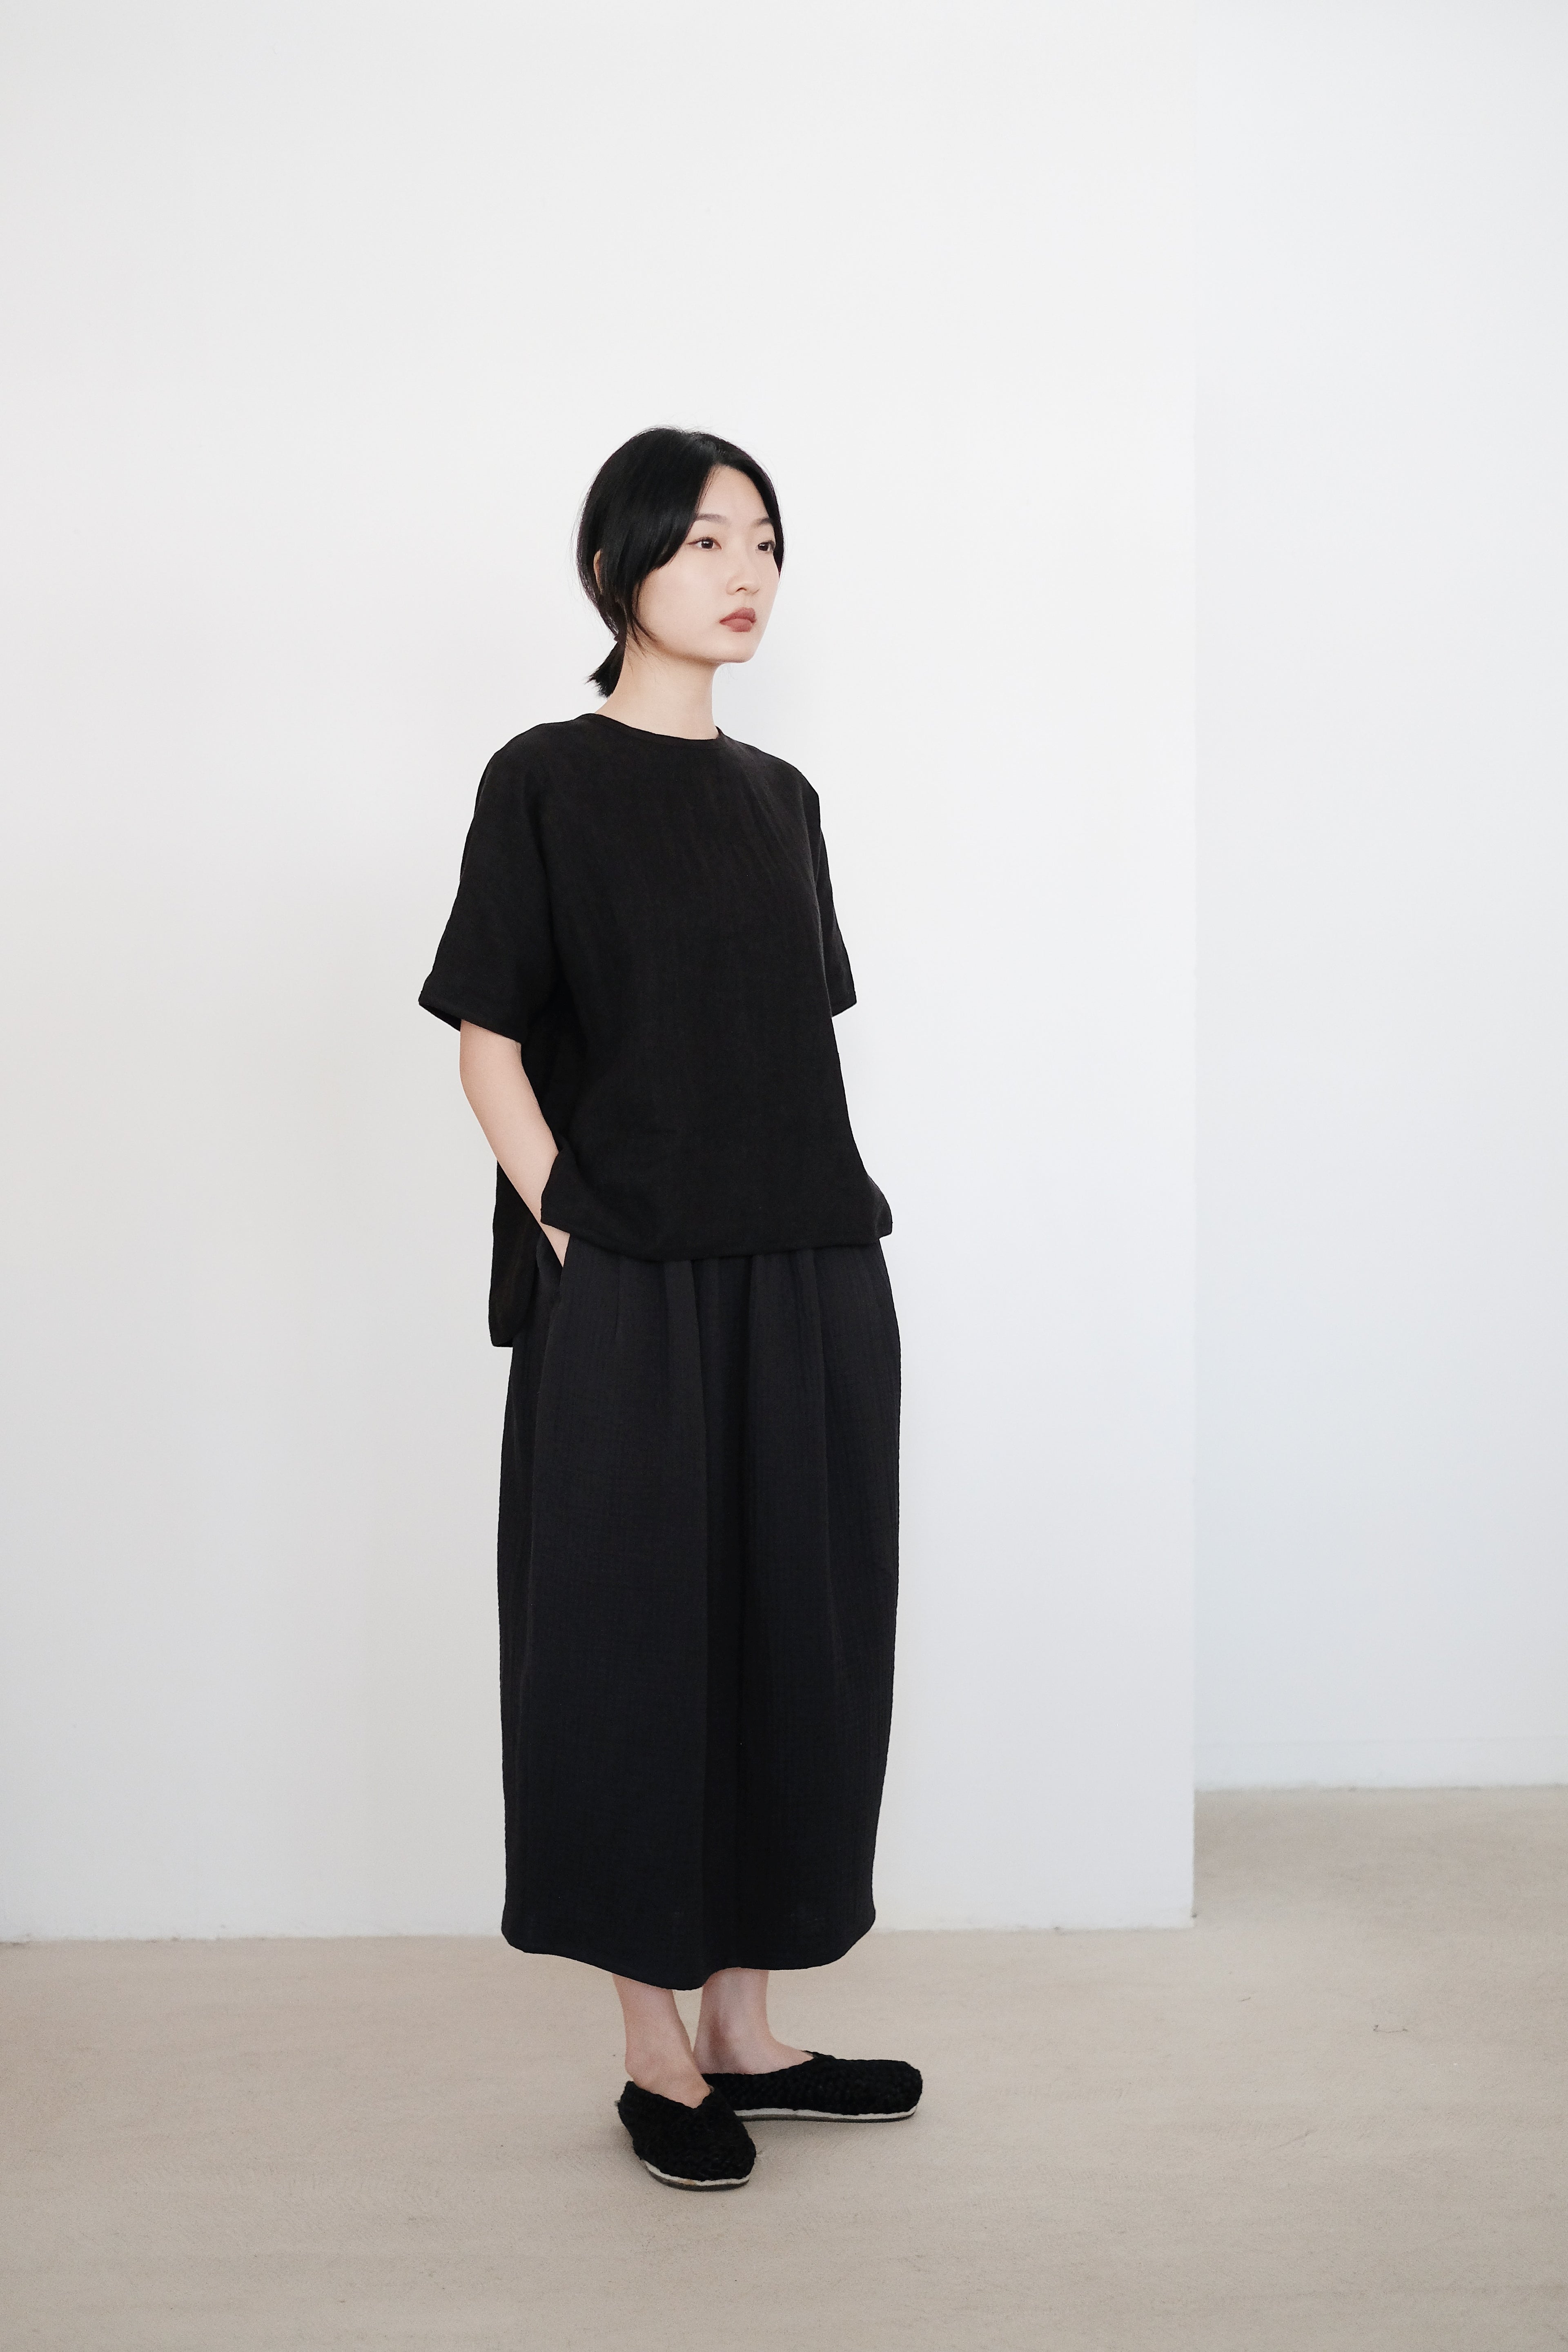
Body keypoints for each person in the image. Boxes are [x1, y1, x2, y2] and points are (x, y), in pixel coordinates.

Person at [419, 427, 920, 2191]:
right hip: (631, 1281)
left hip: (811, 1270)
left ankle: (747, 2030)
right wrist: (574, 1226)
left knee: (797, 1639)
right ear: (616, 564)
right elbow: (489, 1041)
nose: (747, 571)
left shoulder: (783, 800)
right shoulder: (546, 779)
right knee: (633, 1649)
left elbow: (776, 1054)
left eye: (766, 541)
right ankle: (653, 2050)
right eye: (708, 539)